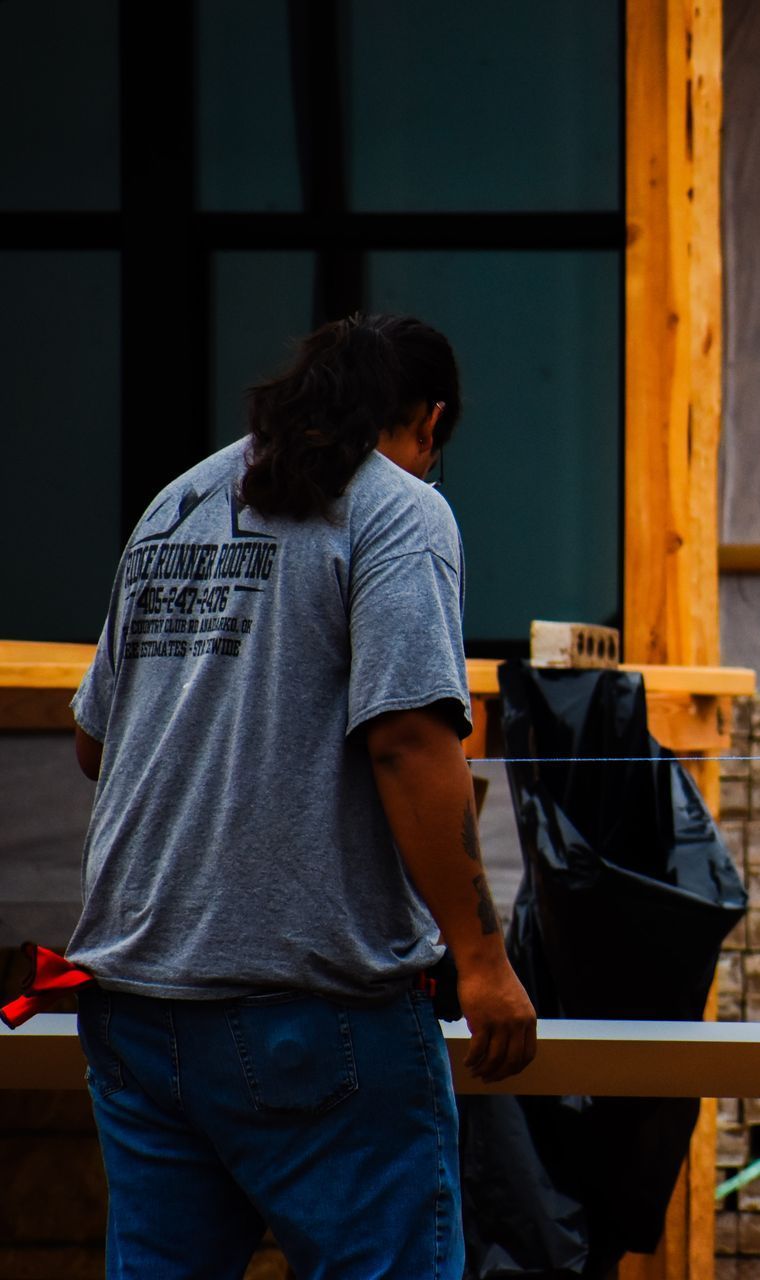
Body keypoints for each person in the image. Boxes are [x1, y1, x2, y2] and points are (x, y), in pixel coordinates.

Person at [65, 313, 537, 1278]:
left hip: (136, 1007)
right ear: (428, 423)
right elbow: (409, 740)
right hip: (312, 1012)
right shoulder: (398, 508)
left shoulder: (178, 505)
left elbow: (93, 742)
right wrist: (483, 959)